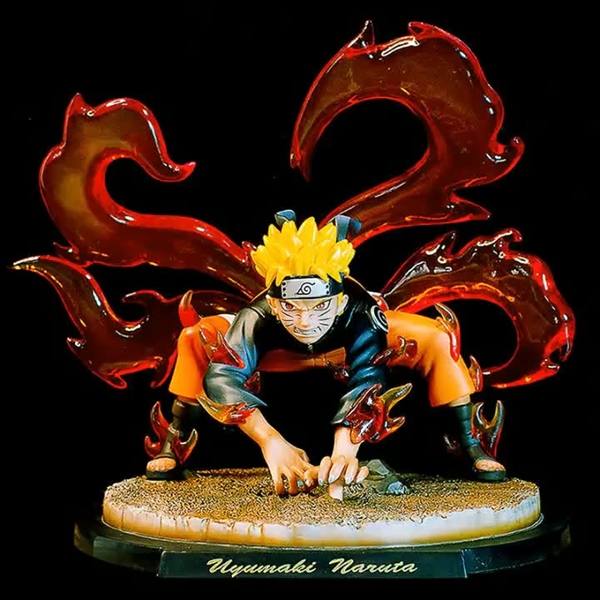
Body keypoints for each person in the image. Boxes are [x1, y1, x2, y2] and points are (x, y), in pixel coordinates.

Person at [146, 210, 506, 497]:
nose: (305, 321)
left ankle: (469, 442)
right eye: (292, 307)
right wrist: (270, 441)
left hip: (345, 348)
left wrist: (344, 450)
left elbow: (368, 374)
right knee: (195, 337)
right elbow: (224, 374)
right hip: (277, 352)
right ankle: (174, 439)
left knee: (436, 338)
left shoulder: (362, 312)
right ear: (274, 303)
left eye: (319, 307)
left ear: (340, 300)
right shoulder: (257, 316)